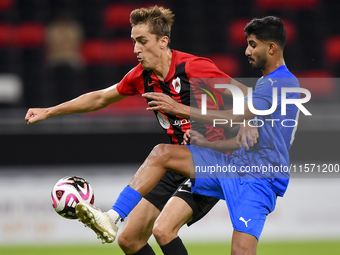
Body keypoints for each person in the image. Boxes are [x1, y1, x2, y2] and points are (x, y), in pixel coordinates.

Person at [25, 6, 251, 255]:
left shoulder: (193, 68)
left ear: (163, 42)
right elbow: (100, 98)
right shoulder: (141, 76)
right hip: (182, 158)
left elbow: (249, 100)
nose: (135, 49)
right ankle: (114, 220)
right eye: (133, 42)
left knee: (163, 220)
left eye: (142, 41)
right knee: (130, 240)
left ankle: (111, 217)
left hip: (219, 160)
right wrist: (49, 111)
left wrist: (185, 110)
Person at [75, 16, 300, 255]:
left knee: (241, 252)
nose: (246, 51)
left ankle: (112, 217)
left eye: (253, 45)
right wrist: (209, 141)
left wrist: (179, 108)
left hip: (258, 179)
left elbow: (234, 117)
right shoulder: (266, 84)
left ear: (272, 47)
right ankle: (112, 216)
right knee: (162, 165)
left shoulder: (282, 83)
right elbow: (247, 141)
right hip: (232, 165)